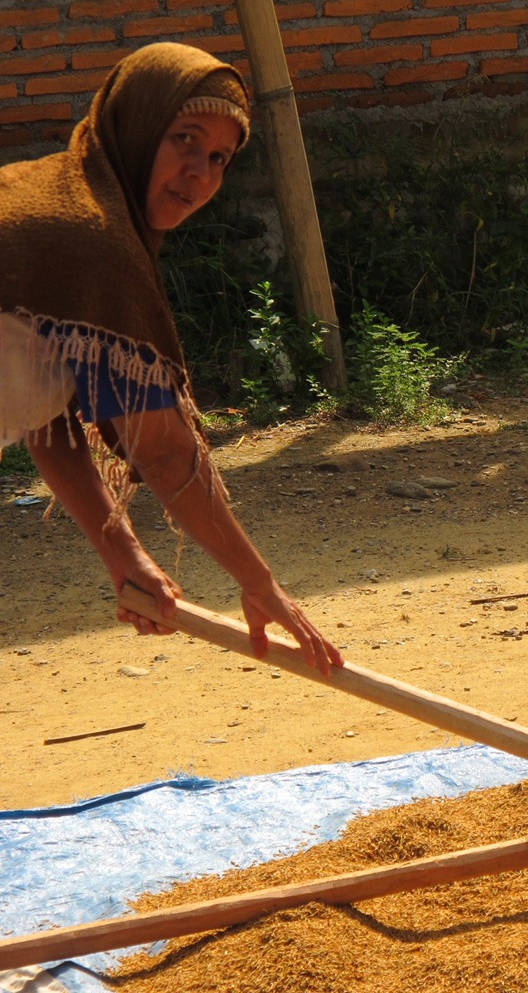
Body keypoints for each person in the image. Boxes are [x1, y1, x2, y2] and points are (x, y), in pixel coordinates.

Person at [0, 42, 341, 675]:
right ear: (137, 125)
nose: (200, 173)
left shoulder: (66, 202)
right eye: (184, 138)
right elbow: (160, 449)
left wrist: (122, 552)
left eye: (219, 157)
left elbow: (45, 412)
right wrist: (260, 584)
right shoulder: (88, 237)